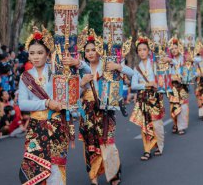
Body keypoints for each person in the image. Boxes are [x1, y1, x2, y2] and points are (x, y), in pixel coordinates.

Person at [18, 28, 75, 184]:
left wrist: (77, 64)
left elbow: (71, 92)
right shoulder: (25, 77)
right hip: (36, 127)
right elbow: (22, 104)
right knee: (33, 165)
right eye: (32, 53)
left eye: (40, 53)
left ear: (48, 54)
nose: (35, 57)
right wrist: (46, 102)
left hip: (56, 124)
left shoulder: (57, 71)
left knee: (56, 165)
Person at [79, 29, 133, 185]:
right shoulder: (81, 69)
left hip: (105, 111)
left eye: (93, 49)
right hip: (88, 112)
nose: (90, 53)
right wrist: (82, 84)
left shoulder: (107, 64)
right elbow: (73, 96)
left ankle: (114, 174)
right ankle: (93, 177)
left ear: (99, 50)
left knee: (108, 144)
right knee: (90, 145)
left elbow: (131, 74)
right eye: (87, 50)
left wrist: (118, 66)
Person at [130, 35, 165, 161]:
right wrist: (147, 84)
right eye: (139, 50)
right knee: (144, 125)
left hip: (154, 99)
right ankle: (147, 150)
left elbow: (161, 80)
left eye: (144, 49)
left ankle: (159, 146)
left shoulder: (155, 65)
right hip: (143, 99)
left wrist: (157, 83)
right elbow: (133, 85)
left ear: (149, 51)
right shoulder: (136, 68)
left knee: (157, 124)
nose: (142, 52)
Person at [168, 37, 190, 135]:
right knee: (174, 106)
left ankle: (181, 127)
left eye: (175, 48)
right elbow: (166, 75)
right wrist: (174, 78)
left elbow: (189, 73)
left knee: (184, 106)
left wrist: (185, 78)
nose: (174, 50)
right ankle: (175, 123)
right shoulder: (168, 61)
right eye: (172, 49)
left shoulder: (185, 59)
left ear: (179, 48)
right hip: (173, 87)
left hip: (183, 87)